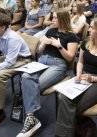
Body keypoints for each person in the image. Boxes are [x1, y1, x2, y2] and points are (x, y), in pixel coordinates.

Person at [17, 8, 78, 137]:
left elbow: (70, 58)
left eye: (55, 18)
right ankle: (31, 117)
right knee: (25, 76)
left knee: (35, 84)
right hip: (42, 60)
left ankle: (30, 117)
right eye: (53, 17)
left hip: (58, 64)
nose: (52, 20)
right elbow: (39, 51)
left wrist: (59, 45)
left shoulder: (71, 36)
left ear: (62, 19)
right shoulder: (50, 30)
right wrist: (43, 45)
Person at [55, 17, 97, 137]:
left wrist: (93, 79)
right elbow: (80, 62)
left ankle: (63, 134)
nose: (88, 30)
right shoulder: (86, 43)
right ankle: (76, 131)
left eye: (92, 27)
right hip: (83, 77)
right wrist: (78, 74)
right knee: (63, 97)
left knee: (74, 107)